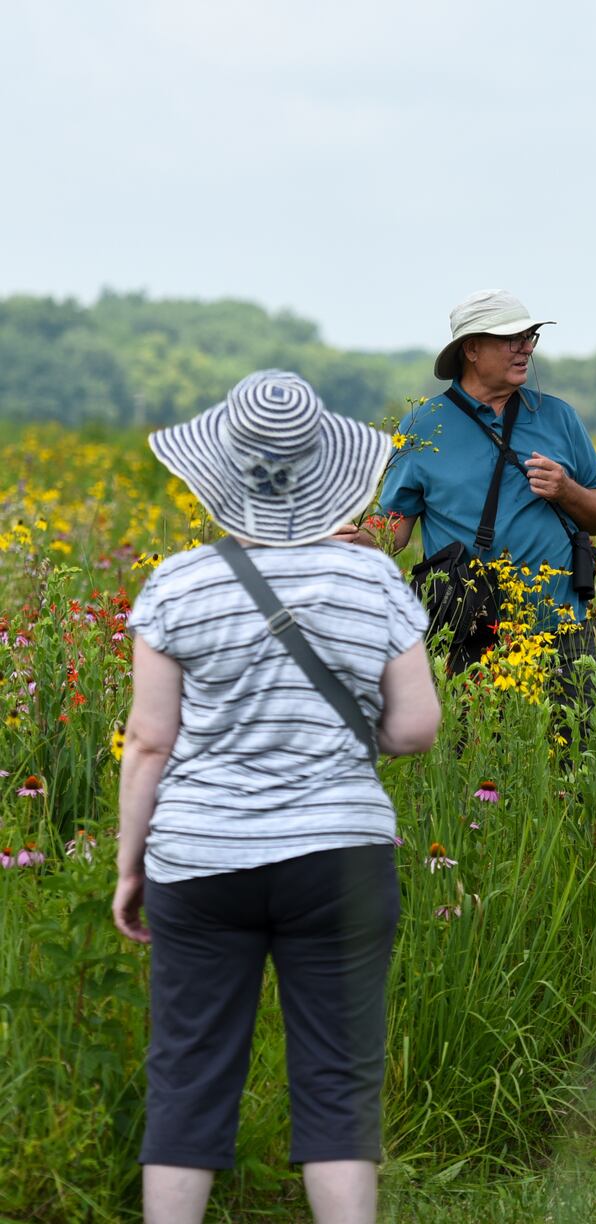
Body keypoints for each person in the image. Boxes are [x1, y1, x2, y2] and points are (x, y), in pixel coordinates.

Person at [114, 371, 442, 1223]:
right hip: (340, 858)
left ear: (221, 472)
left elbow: (150, 740)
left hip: (200, 854)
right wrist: (339, 740)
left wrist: (130, 865)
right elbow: (416, 729)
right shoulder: (371, 583)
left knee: (187, 1071)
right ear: (328, 473)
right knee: (337, 1081)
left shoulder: (178, 584)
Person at [340, 289, 596, 702]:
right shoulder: (424, 424)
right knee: (477, 762)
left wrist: (566, 490)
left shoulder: (559, 417)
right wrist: (353, 540)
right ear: (471, 348)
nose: (525, 348)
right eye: (512, 339)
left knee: (573, 759)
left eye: (529, 337)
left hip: (561, 633)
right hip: (469, 637)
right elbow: (394, 526)